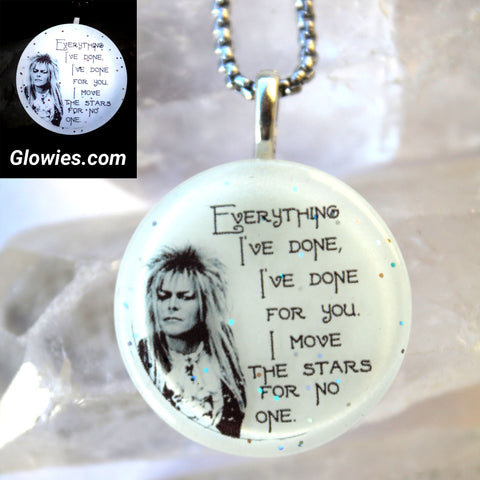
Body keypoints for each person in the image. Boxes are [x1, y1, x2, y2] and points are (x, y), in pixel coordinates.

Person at [138, 246, 246, 438]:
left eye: (184, 297)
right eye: (163, 297)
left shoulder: (225, 347)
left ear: (204, 303)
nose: (172, 306)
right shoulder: (144, 354)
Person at [24, 53, 63, 126]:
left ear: (50, 75)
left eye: (43, 72)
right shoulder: (25, 92)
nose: (38, 75)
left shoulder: (57, 93)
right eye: (35, 71)